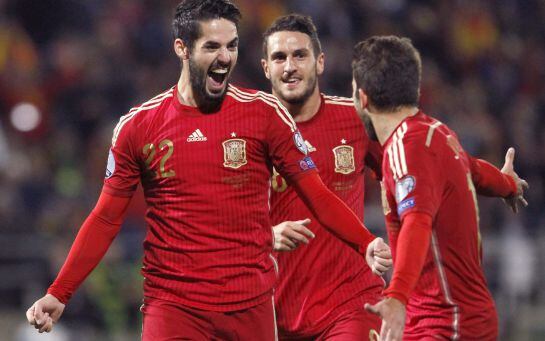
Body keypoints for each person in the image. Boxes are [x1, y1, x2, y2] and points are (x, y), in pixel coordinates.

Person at [24, 1, 391, 340]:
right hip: (173, 306)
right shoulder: (139, 127)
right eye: (212, 47)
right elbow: (105, 218)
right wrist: (60, 291)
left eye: (231, 46)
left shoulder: (264, 115)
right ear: (182, 49)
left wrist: (365, 242)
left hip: (251, 306)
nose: (225, 57)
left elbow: (317, 195)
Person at [352, 36, 529, 340]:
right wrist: (507, 184)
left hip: (446, 323)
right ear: (415, 90)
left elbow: (417, 221)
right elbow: (472, 170)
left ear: (363, 97)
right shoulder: (436, 133)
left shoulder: (406, 148)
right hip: (449, 318)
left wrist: (396, 297)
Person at [261, 14, 389, 340]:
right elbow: (220, 222)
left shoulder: (356, 120)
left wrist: (494, 181)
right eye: (279, 57)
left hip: (351, 305)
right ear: (266, 68)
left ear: (319, 63)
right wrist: (266, 234)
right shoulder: (244, 135)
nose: (290, 66)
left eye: (299, 55)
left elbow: (418, 158)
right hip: (274, 315)